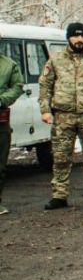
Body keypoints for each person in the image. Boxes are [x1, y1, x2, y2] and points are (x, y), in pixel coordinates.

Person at [39, 22, 83, 209]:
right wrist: (45, 110)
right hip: (63, 115)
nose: (79, 40)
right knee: (61, 156)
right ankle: (59, 195)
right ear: (68, 38)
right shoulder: (56, 59)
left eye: (82, 36)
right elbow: (45, 85)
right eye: (75, 36)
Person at [0, 34, 23, 215]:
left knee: (0, 165)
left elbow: (17, 86)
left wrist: (2, 100)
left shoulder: (9, 65)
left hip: (0, 121)